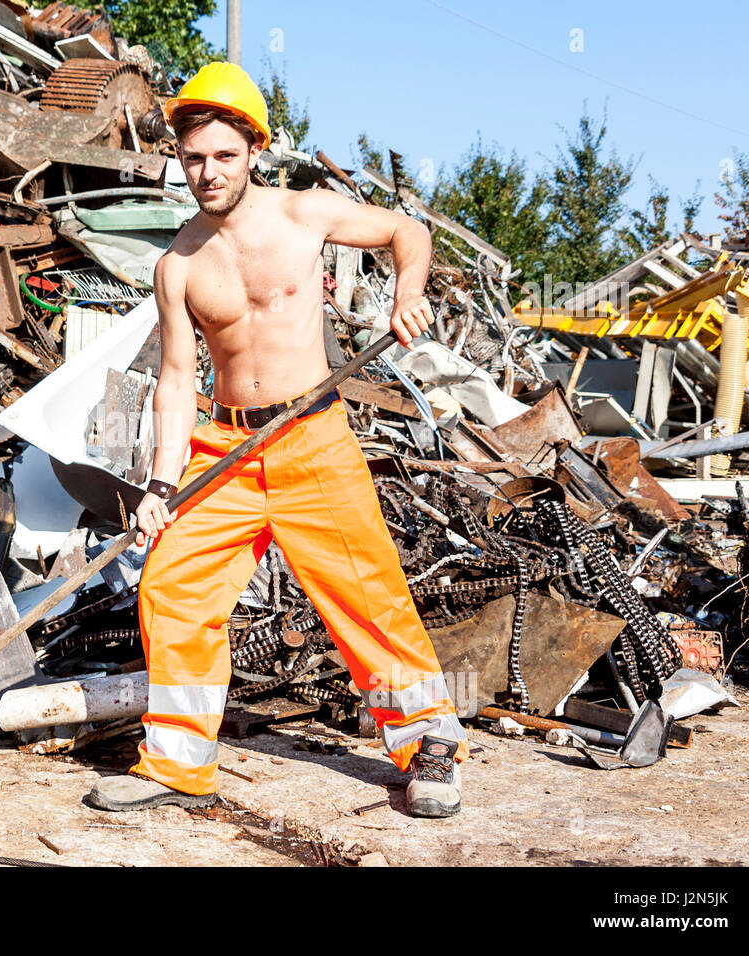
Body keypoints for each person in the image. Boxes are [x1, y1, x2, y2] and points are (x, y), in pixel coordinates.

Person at [86, 62, 469, 819]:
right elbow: (173, 381)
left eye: (224, 155)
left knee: (366, 594)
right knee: (172, 587)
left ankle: (428, 743)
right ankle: (176, 764)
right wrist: (160, 486)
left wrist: (409, 293)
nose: (208, 171)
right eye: (195, 157)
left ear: (253, 150)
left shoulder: (306, 215)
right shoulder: (177, 266)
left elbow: (406, 232)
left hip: (310, 438)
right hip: (221, 452)